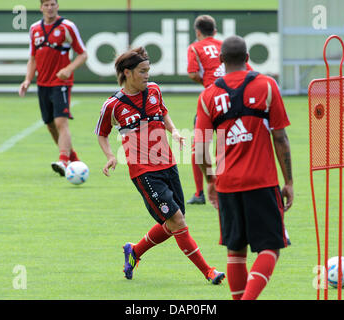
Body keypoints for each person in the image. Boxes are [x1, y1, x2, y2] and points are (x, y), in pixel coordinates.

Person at [95, 46, 225, 285]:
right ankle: (208, 271)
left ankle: (134, 252)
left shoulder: (154, 90)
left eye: (148, 70)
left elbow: (163, 113)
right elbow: (101, 133)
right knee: (178, 222)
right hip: (144, 173)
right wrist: (110, 156)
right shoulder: (113, 105)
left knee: (174, 221)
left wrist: (174, 131)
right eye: (142, 71)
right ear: (128, 72)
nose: (147, 75)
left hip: (168, 164)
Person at [194, 36, 293, 300]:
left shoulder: (208, 95)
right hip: (262, 182)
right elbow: (280, 137)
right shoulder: (267, 86)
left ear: (221, 61)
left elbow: (200, 147)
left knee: (235, 251)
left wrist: (211, 181)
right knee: (271, 248)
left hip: (227, 184)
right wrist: (290, 182)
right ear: (248, 58)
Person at [186, 15, 252, 204]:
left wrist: (206, 82)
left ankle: (199, 193)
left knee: (198, 146)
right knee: (229, 140)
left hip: (212, 99)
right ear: (214, 31)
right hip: (235, 99)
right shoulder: (225, 45)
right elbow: (249, 70)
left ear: (198, 31)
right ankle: (231, 183)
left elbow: (192, 73)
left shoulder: (195, 47)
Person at [19, 0, 88, 176]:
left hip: (61, 83)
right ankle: (74, 160)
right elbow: (32, 58)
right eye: (46, 5)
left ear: (57, 6)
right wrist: (27, 80)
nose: (50, 8)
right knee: (50, 125)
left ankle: (64, 161)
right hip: (42, 83)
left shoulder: (67, 26)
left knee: (60, 122)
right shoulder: (35, 29)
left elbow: (83, 54)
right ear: (41, 7)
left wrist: (68, 69)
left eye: (53, 4)